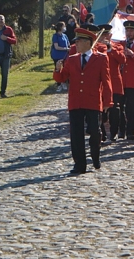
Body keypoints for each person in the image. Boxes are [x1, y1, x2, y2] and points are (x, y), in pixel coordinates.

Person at [53, 28, 112, 174]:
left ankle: (95, 155)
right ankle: (79, 164)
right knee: (76, 135)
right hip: (76, 101)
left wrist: (107, 102)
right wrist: (57, 70)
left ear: (87, 42)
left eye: (79, 41)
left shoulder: (101, 58)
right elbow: (61, 78)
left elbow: (106, 81)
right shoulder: (72, 59)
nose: (76, 44)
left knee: (94, 131)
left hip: (93, 101)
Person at [98, 24, 127, 141]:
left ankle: (114, 133)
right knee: (100, 111)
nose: (104, 37)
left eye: (106, 35)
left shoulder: (117, 46)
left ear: (110, 35)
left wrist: (110, 48)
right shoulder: (96, 47)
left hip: (114, 83)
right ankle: (102, 133)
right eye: (102, 35)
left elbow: (123, 59)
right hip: (101, 84)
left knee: (115, 110)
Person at [50, 22, 71, 92]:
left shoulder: (65, 36)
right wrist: (66, 49)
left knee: (65, 69)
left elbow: (68, 44)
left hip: (65, 56)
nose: (65, 27)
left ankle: (64, 82)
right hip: (57, 55)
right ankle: (59, 84)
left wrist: (69, 48)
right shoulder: (55, 36)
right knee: (58, 69)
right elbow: (56, 47)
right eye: (64, 26)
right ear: (60, 27)